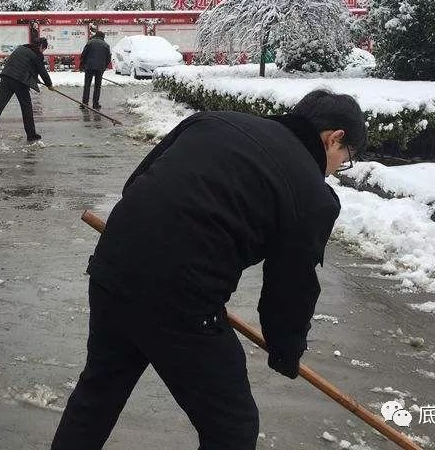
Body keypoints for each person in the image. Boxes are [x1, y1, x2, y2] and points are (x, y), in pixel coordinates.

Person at [51, 89, 366, 450]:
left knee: (98, 394)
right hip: (182, 302)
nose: (338, 168)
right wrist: (286, 349)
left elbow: (137, 183)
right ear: (334, 138)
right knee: (232, 429)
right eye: (346, 159)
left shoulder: (215, 120)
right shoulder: (312, 194)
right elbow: (290, 287)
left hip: (113, 267)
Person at [0, 37, 53, 143]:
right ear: (41, 46)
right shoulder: (37, 54)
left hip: (6, 77)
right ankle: (31, 134)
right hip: (20, 81)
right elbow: (42, 71)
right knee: (26, 108)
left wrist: (35, 79)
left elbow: (23, 66)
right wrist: (49, 84)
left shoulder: (20, 49)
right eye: (44, 49)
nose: (43, 52)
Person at [79, 30, 111, 110]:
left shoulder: (90, 43)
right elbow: (108, 58)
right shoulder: (106, 45)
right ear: (103, 37)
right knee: (97, 86)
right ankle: (95, 104)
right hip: (100, 68)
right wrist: (104, 67)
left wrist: (82, 65)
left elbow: (83, 55)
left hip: (89, 67)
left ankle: (84, 103)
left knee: (87, 85)